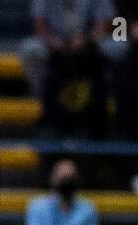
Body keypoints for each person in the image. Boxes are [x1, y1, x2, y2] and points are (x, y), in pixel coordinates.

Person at [21, 0, 115, 137]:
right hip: (54, 43)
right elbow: (39, 24)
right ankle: (41, 93)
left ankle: (110, 92)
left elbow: (105, 25)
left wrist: (87, 40)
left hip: (89, 45)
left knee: (118, 46)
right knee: (30, 48)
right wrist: (54, 42)